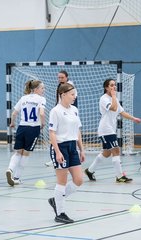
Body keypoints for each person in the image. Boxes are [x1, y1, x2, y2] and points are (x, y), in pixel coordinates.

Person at [84, 79, 141, 183]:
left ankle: (89, 170)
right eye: (111, 85)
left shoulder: (113, 99)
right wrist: (114, 96)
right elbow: (114, 108)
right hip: (106, 129)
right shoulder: (104, 99)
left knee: (106, 153)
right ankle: (119, 176)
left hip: (110, 129)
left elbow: (122, 112)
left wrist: (134, 119)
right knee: (116, 150)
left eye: (115, 85)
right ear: (106, 88)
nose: (114, 87)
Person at [48, 83, 85, 224]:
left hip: (72, 147)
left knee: (79, 180)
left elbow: (77, 131)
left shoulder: (74, 110)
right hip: (60, 147)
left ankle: (55, 200)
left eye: (75, 94)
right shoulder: (55, 111)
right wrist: (57, 152)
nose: (74, 97)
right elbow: (51, 133)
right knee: (62, 181)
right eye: (72, 94)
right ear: (63, 95)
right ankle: (60, 213)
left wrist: (81, 149)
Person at [6, 80, 46, 186]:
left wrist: (12, 123)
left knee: (17, 152)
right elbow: (41, 113)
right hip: (33, 129)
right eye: (42, 88)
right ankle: (17, 177)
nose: (44, 90)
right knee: (26, 153)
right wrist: (43, 124)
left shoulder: (23, 98)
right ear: (36, 89)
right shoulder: (41, 99)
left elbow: (14, 113)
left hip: (22, 127)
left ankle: (10, 169)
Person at [45, 70, 77, 167]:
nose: (60, 79)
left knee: (71, 135)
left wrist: (71, 113)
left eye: (62, 77)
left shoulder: (70, 87)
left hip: (68, 115)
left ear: (67, 77)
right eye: (59, 77)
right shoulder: (60, 87)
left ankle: (70, 156)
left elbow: (74, 101)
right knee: (55, 133)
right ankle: (56, 156)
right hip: (60, 113)